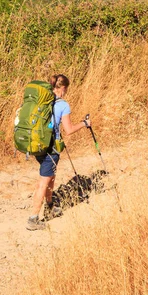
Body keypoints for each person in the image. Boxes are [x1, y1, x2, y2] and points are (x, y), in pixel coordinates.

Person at [27, 74, 91, 231]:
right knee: (43, 182)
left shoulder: (42, 99)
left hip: (37, 145)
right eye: (66, 89)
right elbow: (68, 130)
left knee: (51, 176)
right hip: (51, 148)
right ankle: (33, 219)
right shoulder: (63, 105)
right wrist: (84, 124)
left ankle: (50, 205)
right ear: (62, 88)